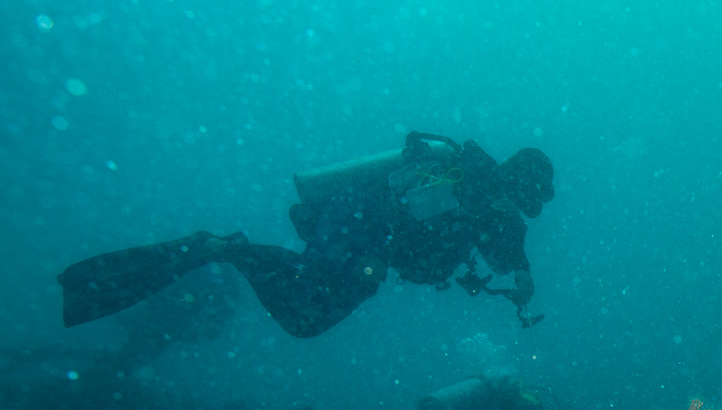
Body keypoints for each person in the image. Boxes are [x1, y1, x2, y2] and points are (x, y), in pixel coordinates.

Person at [58, 132, 554, 337]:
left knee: (307, 318)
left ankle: (228, 250)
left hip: (364, 237)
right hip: (357, 221)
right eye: (529, 198)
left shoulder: (489, 201)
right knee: (308, 298)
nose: (524, 210)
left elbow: (507, 248)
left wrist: (525, 273)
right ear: (519, 183)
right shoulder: (476, 185)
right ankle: (223, 249)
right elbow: (495, 235)